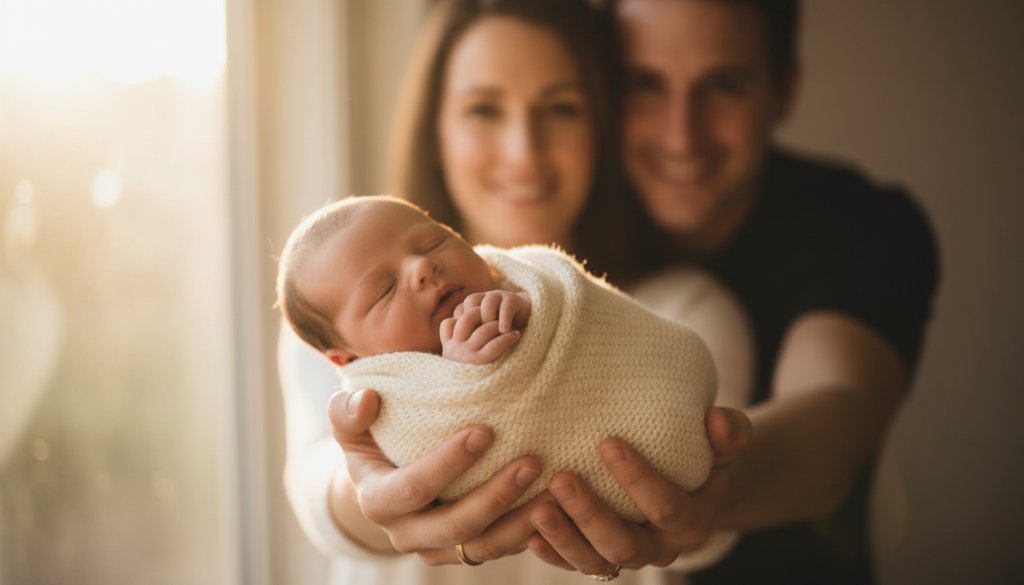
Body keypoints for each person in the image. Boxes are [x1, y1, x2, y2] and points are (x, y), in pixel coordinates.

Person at [278, 0, 755, 583]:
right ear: (436, 131)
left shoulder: (684, 307)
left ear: (601, 126)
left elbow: (702, 503)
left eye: (560, 108)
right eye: (483, 109)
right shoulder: (335, 312)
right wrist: (376, 489)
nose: (523, 150)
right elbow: (316, 488)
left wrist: (693, 511)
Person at [507, 1, 939, 583]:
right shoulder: (562, 203)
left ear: (783, 91)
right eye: (645, 84)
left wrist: (705, 489)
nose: (682, 136)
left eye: (724, 86)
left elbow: (838, 408)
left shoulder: (861, 224)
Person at [277, 194, 718, 524]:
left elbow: (563, 307)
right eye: (384, 290)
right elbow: (322, 482)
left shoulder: (528, 277)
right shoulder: (365, 391)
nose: (420, 268)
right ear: (346, 357)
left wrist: (531, 309)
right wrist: (461, 380)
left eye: (433, 242)